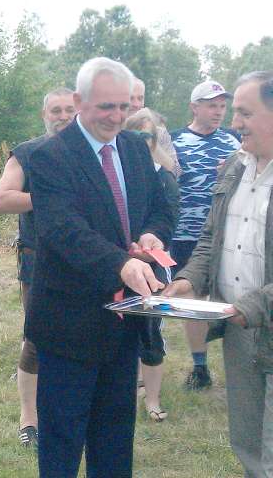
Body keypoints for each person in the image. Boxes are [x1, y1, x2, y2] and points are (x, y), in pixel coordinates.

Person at [25, 57, 174, 477]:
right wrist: (120, 264)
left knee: (114, 438)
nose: (117, 116)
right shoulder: (50, 156)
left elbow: (160, 208)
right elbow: (61, 229)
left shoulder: (133, 148)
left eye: (124, 106)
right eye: (106, 106)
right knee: (62, 442)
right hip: (69, 323)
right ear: (78, 101)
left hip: (123, 323)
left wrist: (151, 237)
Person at [165, 70, 273, 478]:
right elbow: (210, 239)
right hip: (239, 332)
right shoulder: (234, 167)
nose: (233, 123)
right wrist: (189, 279)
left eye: (244, 112)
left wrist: (247, 306)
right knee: (247, 442)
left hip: (258, 321)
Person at [0, 86, 75, 447]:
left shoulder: (95, 154)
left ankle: (70, 413)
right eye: (55, 110)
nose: (63, 117)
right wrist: (49, 200)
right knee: (38, 338)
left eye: (69, 110)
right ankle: (30, 420)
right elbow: (3, 200)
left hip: (87, 260)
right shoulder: (28, 153)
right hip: (39, 257)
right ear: (45, 115)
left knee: (80, 338)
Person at [170, 80, 240, 390]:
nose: (218, 111)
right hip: (185, 235)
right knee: (193, 301)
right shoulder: (174, 142)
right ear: (194, 106)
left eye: (222, 106)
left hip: (226, 236)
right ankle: (200, 367)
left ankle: (241, 364)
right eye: (212, 105)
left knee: (230, 299)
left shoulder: (235, 144)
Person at [125, 108, 181, 422]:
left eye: (149, 136)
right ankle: (128, 394)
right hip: (121, 262)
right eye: (137, 135)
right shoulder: (119, 169)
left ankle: (153, 400)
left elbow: (168, 221)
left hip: (154, 264)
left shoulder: (164, 174)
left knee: (150, 331)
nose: (143, 141)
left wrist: (151, 239)